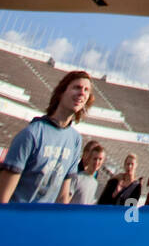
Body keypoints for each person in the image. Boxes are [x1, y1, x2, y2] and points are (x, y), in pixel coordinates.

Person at [0, 71, 94, 204]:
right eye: (77, 87)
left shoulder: (75, 140)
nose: (82, 93)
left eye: (86, 90)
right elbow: (3, 197)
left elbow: (63, 197)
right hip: (19, 220)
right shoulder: (32, 134)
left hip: (44, 221)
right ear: (61, 92)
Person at [68, 139, 106, 204]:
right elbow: (65, 201)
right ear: (89, 159)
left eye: (100, 159)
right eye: (95, 159)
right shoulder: (76, 178)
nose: (97, 162)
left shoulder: (96, 184)